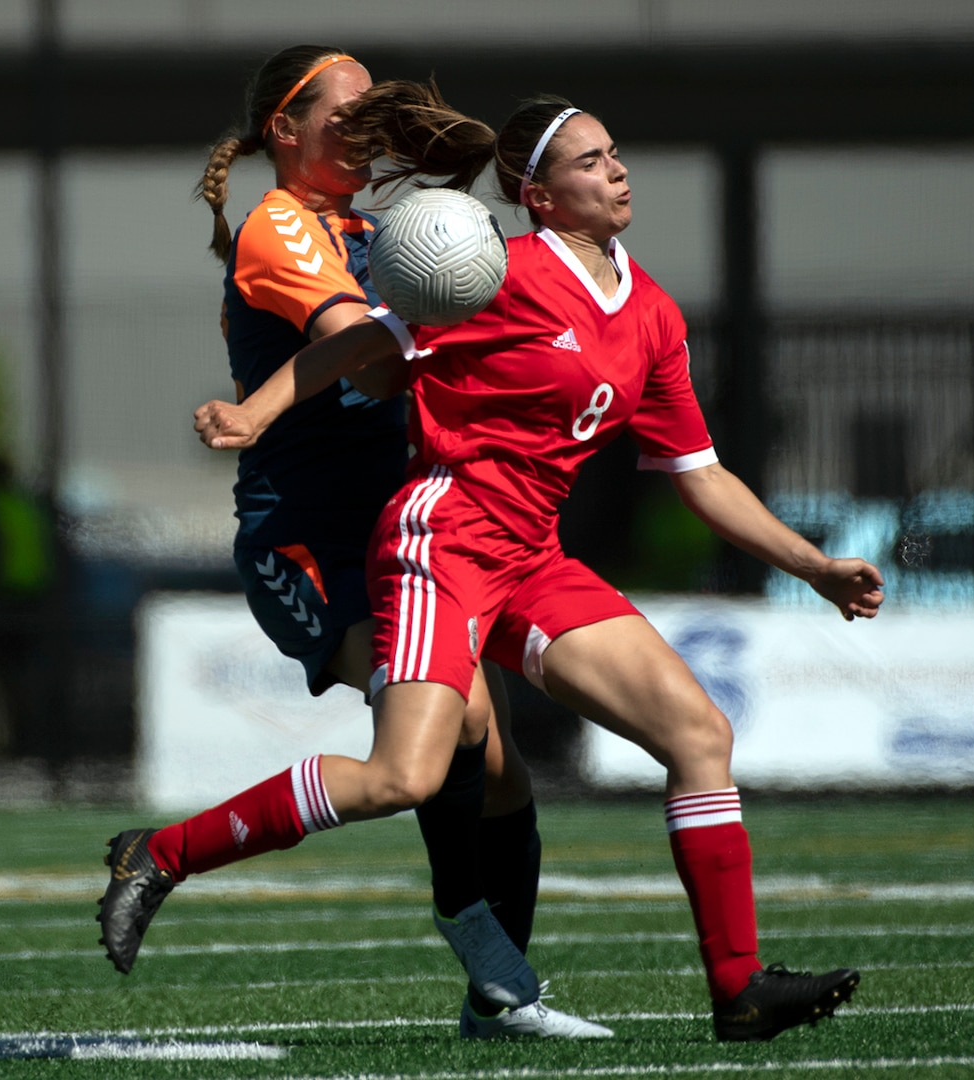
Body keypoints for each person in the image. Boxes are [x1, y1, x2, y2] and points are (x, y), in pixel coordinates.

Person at [184, 90, 887, 1043]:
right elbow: (361, 343)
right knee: (406, 775)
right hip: (445, 539)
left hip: (532, 559)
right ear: (540, 197)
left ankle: (736, 991)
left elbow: (702, 475)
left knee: (697, 733)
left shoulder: (651, 312)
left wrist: (813, 565)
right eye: (591, 160)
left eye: (616, 152)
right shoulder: (494, 273)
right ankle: (165, 853)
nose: (618, 169)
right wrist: (253, 415)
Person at [96, 47, 606, 1040]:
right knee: (437, 736)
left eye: (381, 112)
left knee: (499, 772)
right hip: (311, 538)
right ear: (286, 132)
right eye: (348, 113)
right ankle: (158, 854)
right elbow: (368, 361)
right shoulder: (279, 224)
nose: (369, 129)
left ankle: (494, 999)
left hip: (407, 524)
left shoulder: (384, 228)